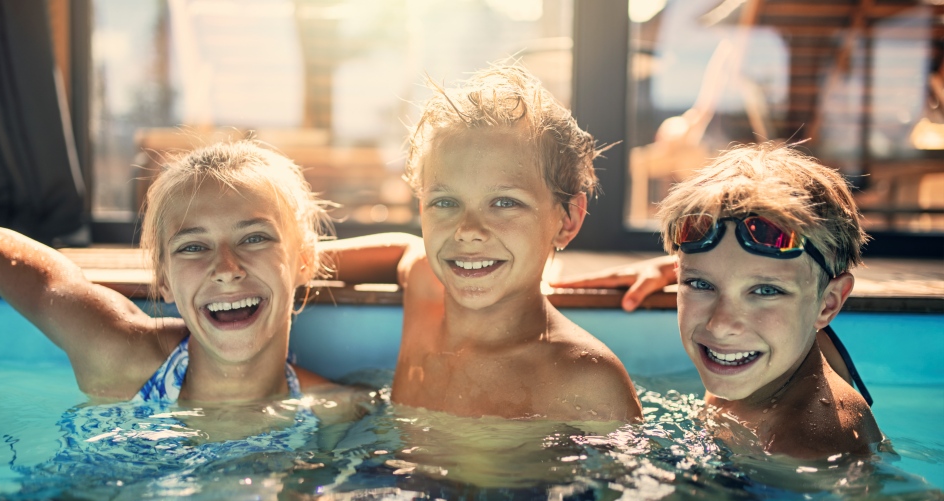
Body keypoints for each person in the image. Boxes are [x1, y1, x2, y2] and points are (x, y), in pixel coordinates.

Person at [0, 140, 363, 433]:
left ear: (305, 260)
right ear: (163, 280)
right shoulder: (118, 359)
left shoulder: (331, 411)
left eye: (254, 238)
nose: (226, 268)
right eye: (193, 246)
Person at [324, 64, 642, 422]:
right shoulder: (425, 296)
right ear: (422, 209)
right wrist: (288, 263)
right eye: (445, 202)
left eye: (505, 203)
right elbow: (406, 250)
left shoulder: (586, 381)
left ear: (567, 220)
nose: (468, 230)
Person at [563, 142, 880, 458]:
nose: (721, 324)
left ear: (828, 304)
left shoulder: (804, 451)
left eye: (765, 291)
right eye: (700, 283)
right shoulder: (793, 343)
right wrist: (672, 269)